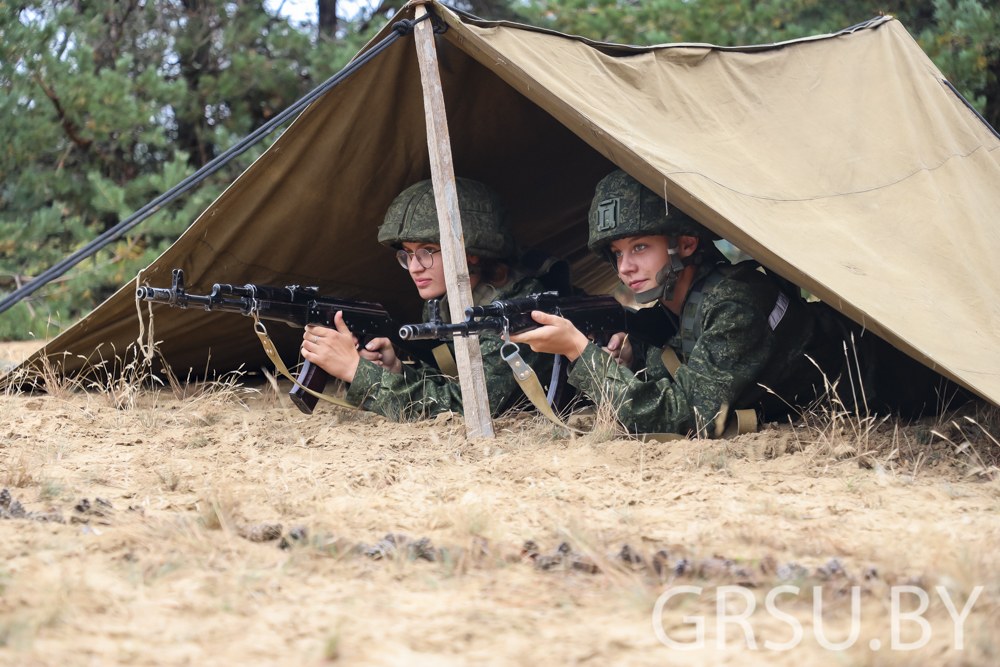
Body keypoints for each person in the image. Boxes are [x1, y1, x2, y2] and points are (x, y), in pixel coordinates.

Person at [510, 169, 949, 436]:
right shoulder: (681, 301)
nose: (625, 267)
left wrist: (578, 351)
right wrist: (634, 352)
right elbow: (687, 362)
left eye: (640, 247)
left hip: (907, 381)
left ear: (683, 243)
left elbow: (680, 418)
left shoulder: (735, 301)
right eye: (618, 254)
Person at [300, 178, 554, 421]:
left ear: (472, 253)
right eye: (408, 254)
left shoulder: (519, 311)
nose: (414, 267)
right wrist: (396, 370)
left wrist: (355, 371)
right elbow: (450, 381)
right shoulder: (444, 304)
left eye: (428, 251)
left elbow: (466, 409)